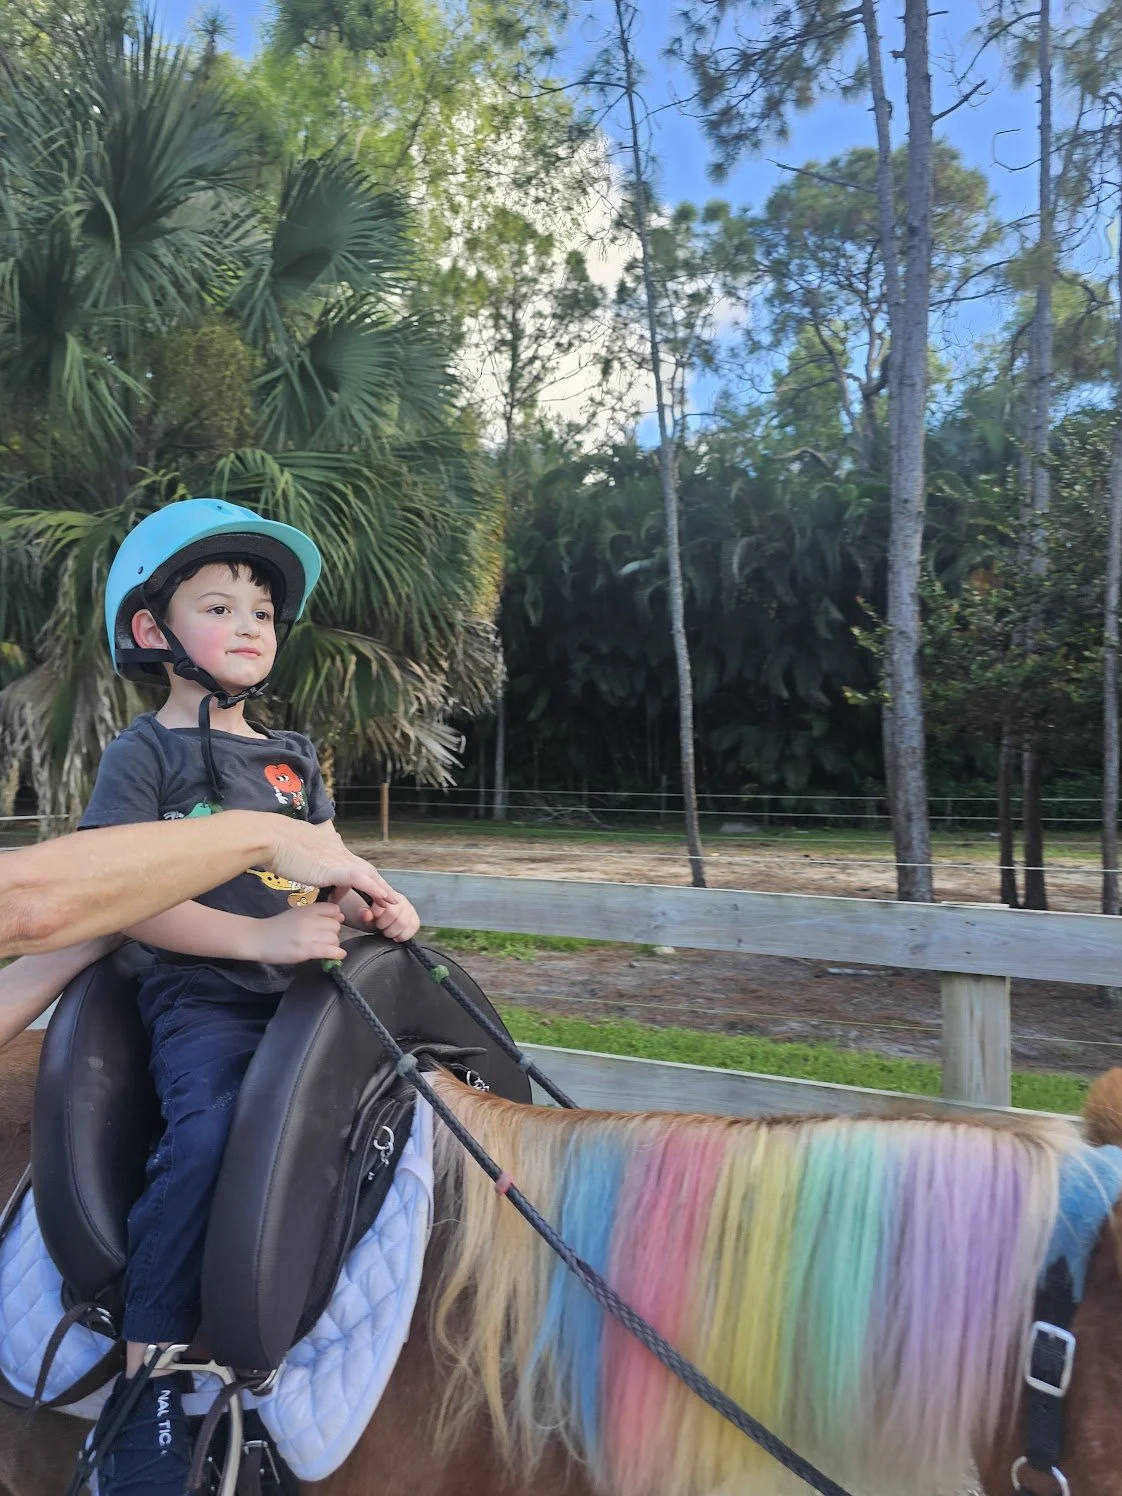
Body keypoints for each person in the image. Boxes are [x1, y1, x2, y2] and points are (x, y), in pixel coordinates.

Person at [73, 498, 419, 1496]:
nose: (250, 623)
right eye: (218, 605)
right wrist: (256, 936)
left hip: (309, 989)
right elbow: (127, 899)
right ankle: (143, 1386)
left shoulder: (292, 758)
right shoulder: (147, 757)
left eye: (261, 610)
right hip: (203, 992)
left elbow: (329, 862)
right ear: (153, 631)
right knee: (213, 1129)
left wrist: (371, 898)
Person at [0, 812, 404, 1042]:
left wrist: (377, 904)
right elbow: (27, 906)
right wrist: (265, 836)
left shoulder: (291, 753)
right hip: (203, 997)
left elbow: (327, 870)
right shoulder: (142, 749)